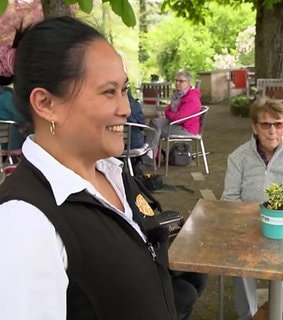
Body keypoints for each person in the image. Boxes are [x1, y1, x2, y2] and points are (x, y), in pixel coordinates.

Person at [0, 16, 178, 320]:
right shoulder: (25, 222)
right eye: (108, 92)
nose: (124, 108)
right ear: (46, 104)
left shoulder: (115, 174)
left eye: (124, 90)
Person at [221, 96, 283, 320]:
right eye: (266, 124)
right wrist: (256, 221)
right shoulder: (238, 158)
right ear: (254, 127)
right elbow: (229, 201)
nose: (273, 131)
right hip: (249, 233)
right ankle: (250, 314)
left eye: (279, 124)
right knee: (237, 257)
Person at [145, 70, 202, 160]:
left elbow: (179, 118)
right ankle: (150, 152)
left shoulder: (192, 98)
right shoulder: (178, 95)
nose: (177, 83)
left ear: (188, 83)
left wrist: (169, 113)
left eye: (181, 81)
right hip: (177, 123)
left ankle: (149, 156)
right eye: (176, 80)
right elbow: (169, 109)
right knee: (155, 122)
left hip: (187, 128)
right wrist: (171, 113)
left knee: (157, 130)